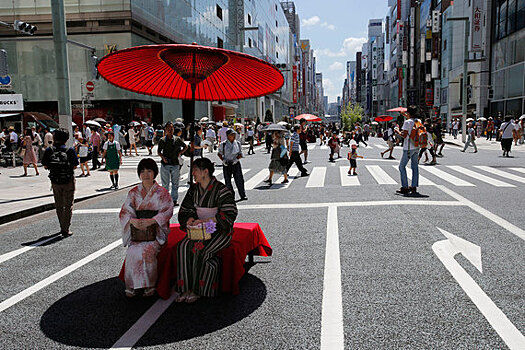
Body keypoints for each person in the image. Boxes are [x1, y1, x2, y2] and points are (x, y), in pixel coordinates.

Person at [176, 157, 238, 303]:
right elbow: (186, 209)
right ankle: (186, 288)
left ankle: (199, 289)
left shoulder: (222, 190)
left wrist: (208, 221)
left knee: (199, 248)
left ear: (205, 172)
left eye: (195, 170)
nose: (193, 173)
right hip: (200, 227)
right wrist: (189, 219)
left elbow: (230, 213)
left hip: (217, 227)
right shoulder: (193, 190)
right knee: (183, 247)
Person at [119, 158, 174, 298]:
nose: (146, 174)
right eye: (142, 171)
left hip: (155, 232)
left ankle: (149, 284)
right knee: (132, 251)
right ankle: (131, 285)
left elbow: (167, 210)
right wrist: (132, 221)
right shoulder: (133, 192)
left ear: (155, 173)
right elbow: (125, 211)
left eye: (149, 170)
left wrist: (153, 221)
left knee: (147, 250)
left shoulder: (162, 193)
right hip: (138, 231)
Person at [41, 128, 79, 237]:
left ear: (54, 138)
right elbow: (75, 165)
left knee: (59, 204)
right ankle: (65, 228)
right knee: (68, 205)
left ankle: (61, 225)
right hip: (68, 180)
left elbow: (45, 165)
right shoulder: (69, 150)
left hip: (55, 180)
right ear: (67, 139)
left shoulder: (49, 150)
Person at [158, 122, 188, 206]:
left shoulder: (177, 139)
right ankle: (165, 201)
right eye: (168, 129)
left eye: (171, 129)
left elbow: (186, 146)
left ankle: (174, 200)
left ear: (173, 129)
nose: (170, 130)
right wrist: (163, 157)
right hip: (165, 164)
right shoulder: (162, 140)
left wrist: (180, 153)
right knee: (165, 185)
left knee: (175, 184)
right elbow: (159, 151)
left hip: (175, 164)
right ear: (166, 130)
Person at [397, 105, 421, 196]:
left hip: (408, 148)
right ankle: (414, 186)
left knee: (402, 166)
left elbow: (404, 135)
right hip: (416, 146)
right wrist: (405, 115)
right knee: (415, 167)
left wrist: (397, 131)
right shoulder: (418, 121)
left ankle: (405, 187)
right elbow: (412, 120)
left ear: (408, 112)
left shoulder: (407, 122)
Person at [218, 129, 247, 201]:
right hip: (227, 164)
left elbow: (240, 153)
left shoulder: (237, 143)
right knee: (228, 181)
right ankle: (231, 196)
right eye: (232, 135)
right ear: (228, 136)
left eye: (234, 134)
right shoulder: (223, 144)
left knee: (239, 180)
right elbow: (219, 153)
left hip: (235, 163)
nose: (233, 136)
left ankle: (242, 195)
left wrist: (236, 160)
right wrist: (223, 161)